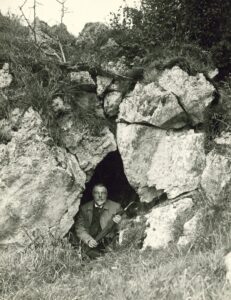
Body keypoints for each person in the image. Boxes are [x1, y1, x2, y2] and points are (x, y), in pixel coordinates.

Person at [75, 183, 122, 258]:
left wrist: (120, 221)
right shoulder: (84, 208)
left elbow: (126, 225)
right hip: (91, 242)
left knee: (111, 255)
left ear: (106, 194)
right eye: (97, 193)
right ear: (93, 194)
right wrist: (88, 240)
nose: (100, 196)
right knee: (86, 254)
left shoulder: (116, 207)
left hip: (108, 242)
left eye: (103, 193)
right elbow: (79, 228)